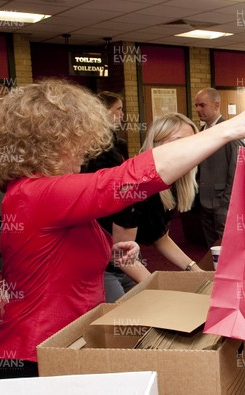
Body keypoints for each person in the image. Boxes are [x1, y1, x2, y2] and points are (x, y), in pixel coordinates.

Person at [0, 79, 245, 379]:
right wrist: (227, 130)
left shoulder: (42, 195)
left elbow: (51, 259)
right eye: (75, 143)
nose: (83, 154)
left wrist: (112, 250)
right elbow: (126, 181)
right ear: (51, 143)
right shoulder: (34, 193)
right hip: (32, 359)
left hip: (65, 346)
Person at [104, 113, 206, 301]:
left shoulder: (175, 183)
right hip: (101, 265)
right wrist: (158, 288)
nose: (189, 148)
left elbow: (161, 237)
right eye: (179, 141)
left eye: (193, 141)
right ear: (158, 144)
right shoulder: (137, 183)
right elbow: (120, 254)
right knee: (120, 322)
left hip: (128, 260)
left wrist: (195, 269)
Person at [81, 91, 148, 302]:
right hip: (104, 234)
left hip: (117, 240)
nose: (122, 115)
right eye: (118, 109)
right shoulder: (99, 150)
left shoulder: (116, 144)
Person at [194, 87, 243, 247]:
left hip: (222, 203)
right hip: (204, 200)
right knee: (212, 248)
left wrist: (226, 202)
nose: (198, 109)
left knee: (227, 247)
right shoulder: (201, 131)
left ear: (216, 105)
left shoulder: (229, 131)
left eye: (202, 105)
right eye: (196, 106)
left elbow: (237, 170)